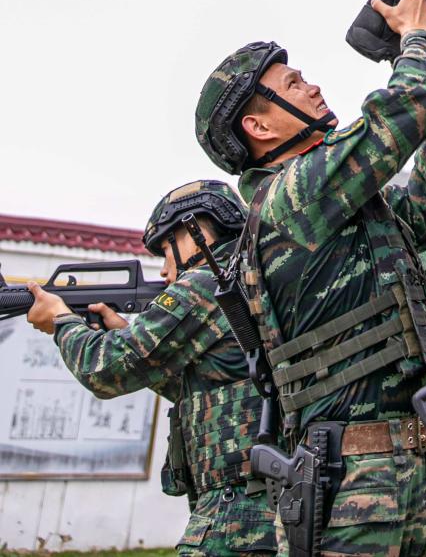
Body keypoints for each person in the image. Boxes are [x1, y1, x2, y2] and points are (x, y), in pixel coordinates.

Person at [194, 1, 426, 557]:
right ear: (259, 125)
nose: (311, 87)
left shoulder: (334, 201)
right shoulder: (292, 197)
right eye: (292, 84)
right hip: (357, 486)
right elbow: (407, 107)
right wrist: (414, 38)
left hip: (418, 471)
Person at [27, 180, 276, 557]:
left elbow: (105, 370)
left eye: (165, 250)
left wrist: (61, 322)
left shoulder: (208, 282)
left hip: (237, 505)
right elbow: (208, 385)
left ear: (193, 231)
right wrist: (126, 333)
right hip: (257, 495)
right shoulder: (244, 276)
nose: (164, 271)